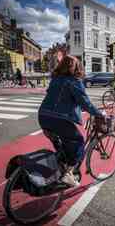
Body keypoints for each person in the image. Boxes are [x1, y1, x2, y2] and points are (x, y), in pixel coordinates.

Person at [38, 51, 104, 187]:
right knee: (79, 142)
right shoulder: (74, 82)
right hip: (59, 119)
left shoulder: (55, 79)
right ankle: (68, 174)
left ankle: (61, 166)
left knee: (62, 145)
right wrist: (98, 114)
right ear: (76, 67)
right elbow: (85, 103)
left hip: (43, 116)